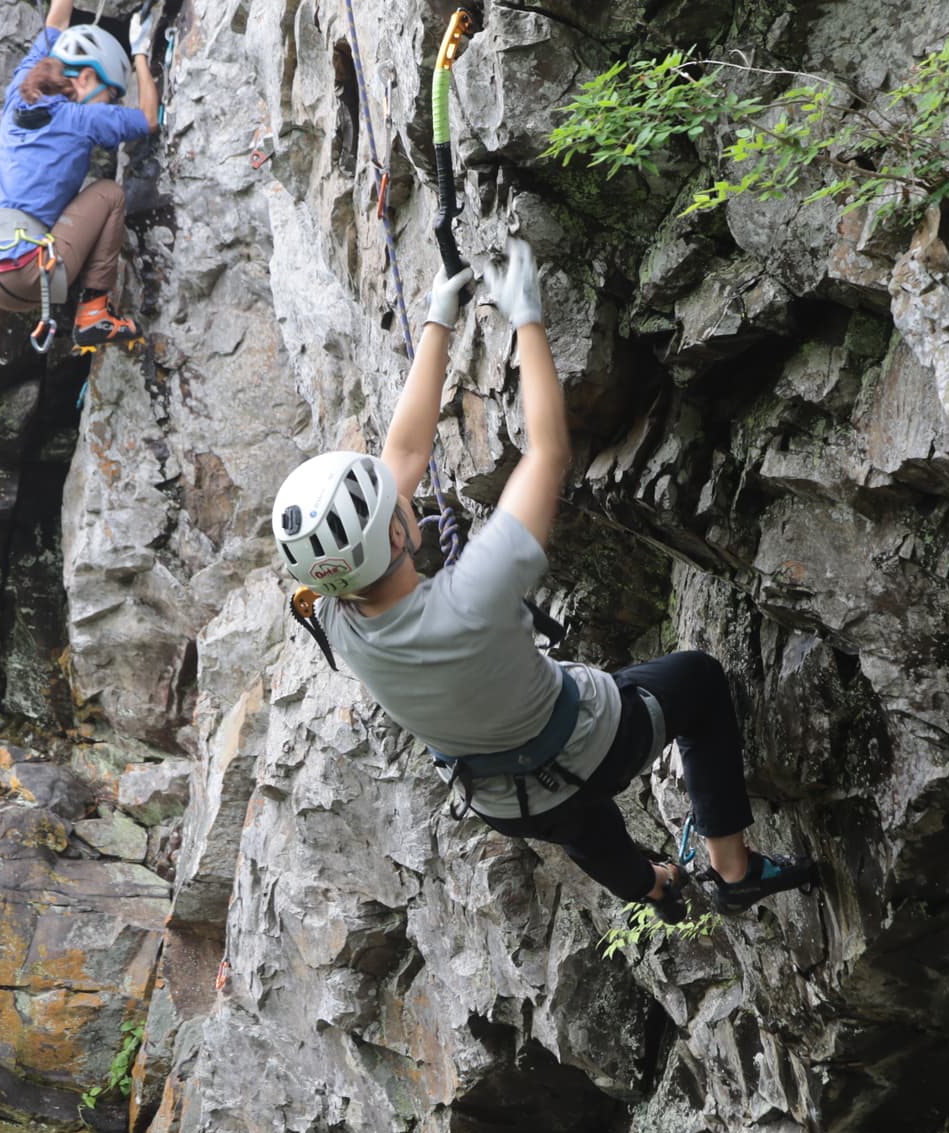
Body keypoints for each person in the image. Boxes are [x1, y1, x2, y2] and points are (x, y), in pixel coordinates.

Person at [271, 238, 820, 920]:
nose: (399, 488)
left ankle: (652, 887)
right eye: (393, 504)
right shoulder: (473, 593)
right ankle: (734, 871)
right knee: (699, 681)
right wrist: (528, 319)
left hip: (501, 800)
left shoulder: (330, 612)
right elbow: (547, 452)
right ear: (393, 535)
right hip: (595, 742)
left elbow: (405, 452)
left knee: (578, 825)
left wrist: (438, 320)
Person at [0, 0, 161, 377]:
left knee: (10, 232)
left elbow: (56, 20)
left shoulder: (19, 91)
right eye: (111, 94)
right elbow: (148, 119)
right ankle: (93, 312)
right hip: (20, 281)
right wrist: (141, 53)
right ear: (86, 78)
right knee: (109, 194)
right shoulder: (82, 118)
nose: (111, 103)